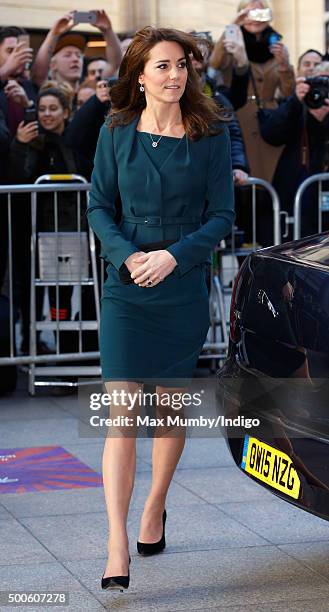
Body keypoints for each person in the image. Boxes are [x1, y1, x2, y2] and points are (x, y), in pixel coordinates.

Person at [87, 26, 234, 591]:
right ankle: (116, 544)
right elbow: (99, 205)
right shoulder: (116, 131)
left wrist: (174, 256)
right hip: (127, 285)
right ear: (140, 75)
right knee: (121, 414)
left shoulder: (212, 132)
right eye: (164, 67)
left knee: (169, 411)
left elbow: (221, 216)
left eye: (182, 66)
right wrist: (128, 257)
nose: (175, 76)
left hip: (182, 281)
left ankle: (154, 508)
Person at [210, 0, 295, 184]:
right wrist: (232, 26)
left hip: (271, 123)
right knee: (244, 181)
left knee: (272, 182)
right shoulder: (232, 44)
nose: (255, 18)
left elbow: (289, 93)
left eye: (260, 13)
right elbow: (215, 63)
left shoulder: (277, 47)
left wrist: (284, 65)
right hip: (239, 118)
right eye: (249, 13)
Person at [259, 61, 329, 239]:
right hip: (296, 202)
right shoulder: (296, 107)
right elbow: (271, 134)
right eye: (319, 84)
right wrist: (296, 102)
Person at [32, 11, 122, 92]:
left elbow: (114, 64)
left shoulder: (92, 89)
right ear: (53, 65)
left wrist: (108, 31)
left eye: (79, 56)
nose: (76, 59)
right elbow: (39, 73)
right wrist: (53, 34)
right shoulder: (48, 90)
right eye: (67, 55)